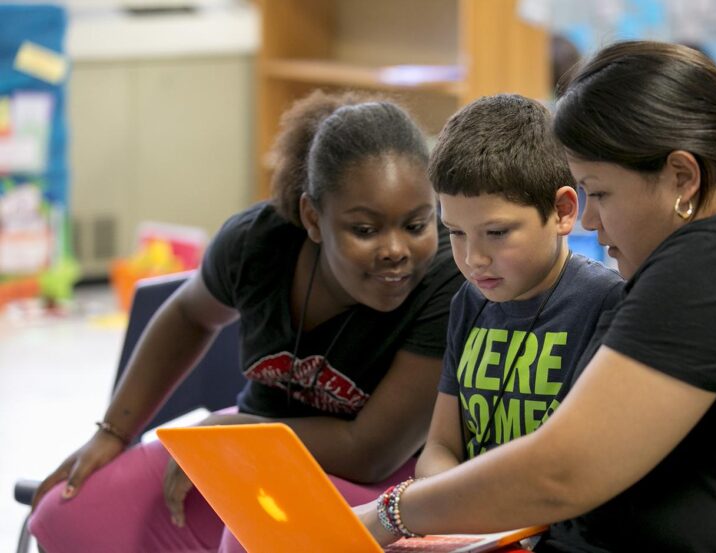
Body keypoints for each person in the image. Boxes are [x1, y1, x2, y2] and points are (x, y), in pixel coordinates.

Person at [357, 41, 716, 552]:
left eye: (599, 192)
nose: (591, 222)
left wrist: (390, 514)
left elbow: (562, 471)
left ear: (681, 177)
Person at [29, 91, 463, 552]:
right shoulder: (257, 243)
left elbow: (370, 453)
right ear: (312, 217)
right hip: (250, 445)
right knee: (66, 512)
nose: (395, 250)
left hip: (380, 485)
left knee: (256, 533)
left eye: (416, 225)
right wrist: (113, 432)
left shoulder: (445, 278)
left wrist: (239, 435)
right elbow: (188, 313)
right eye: (365, 229)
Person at [414, 94, 623, 480]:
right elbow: (441, 446)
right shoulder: (469, 301)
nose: (474, 258)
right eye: (456, 233)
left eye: (496, 233)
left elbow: (588, 463)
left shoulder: (605, 303)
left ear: (562, 211)